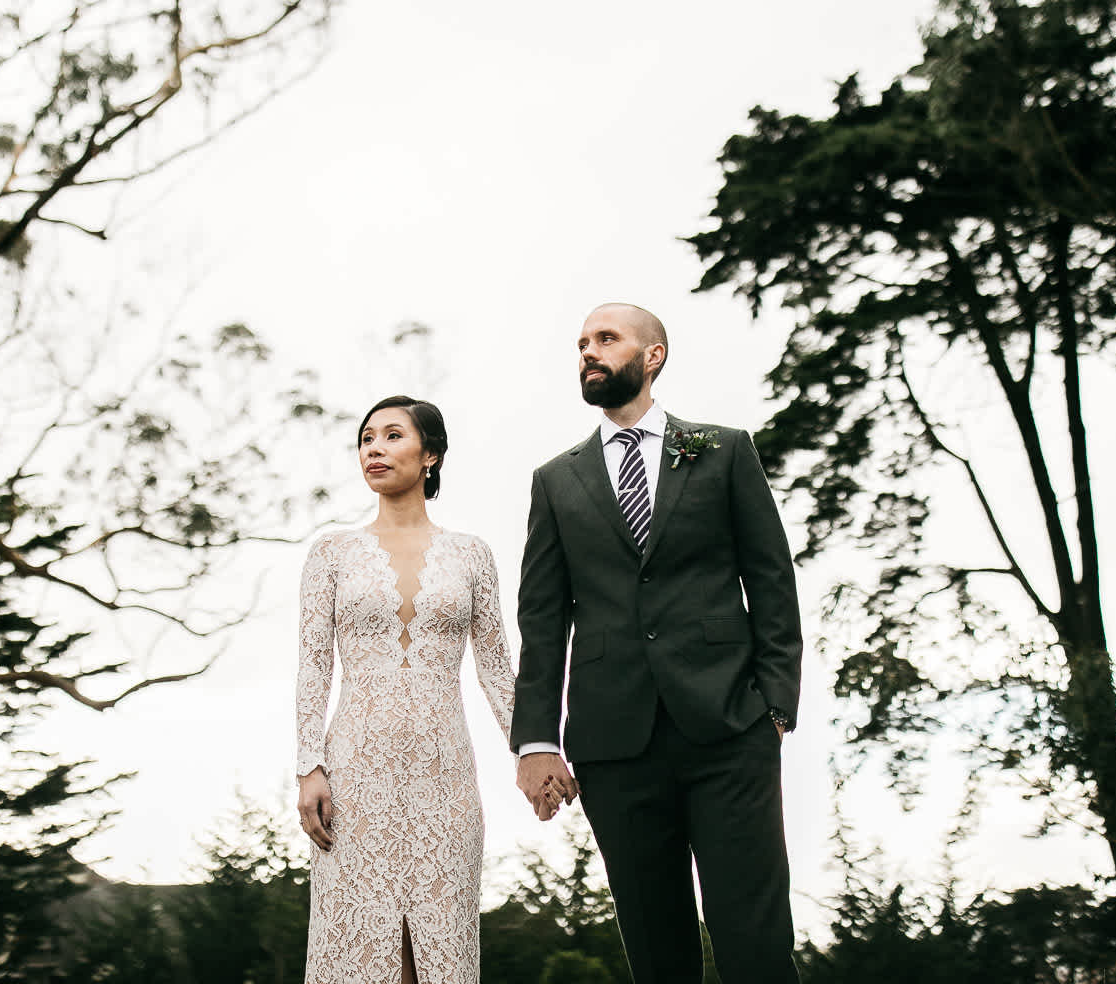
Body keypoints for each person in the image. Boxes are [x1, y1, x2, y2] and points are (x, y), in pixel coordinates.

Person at [510, 303, 805, 984]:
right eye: (582, 342)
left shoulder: (725, 450)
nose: (589, 351)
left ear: (652, 356)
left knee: (754, 938)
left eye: (606, 339)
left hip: (730, 728)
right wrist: (535, 741)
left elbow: (771, 581)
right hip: (614, 744)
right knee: (656, 949)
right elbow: (544, 618)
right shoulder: (556, 481)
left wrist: (776, 705)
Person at [295, 395, 526, 984]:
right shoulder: (331, 552)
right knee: (358, 952)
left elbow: (497, 668)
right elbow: (313, 667)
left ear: (431, 455)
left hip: (444, 775)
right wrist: (308, 768)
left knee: (439, 951)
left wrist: (534, 750)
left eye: (392, 436)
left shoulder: (472, 554)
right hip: (354, 775)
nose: (374, 448)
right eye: (366, 438)